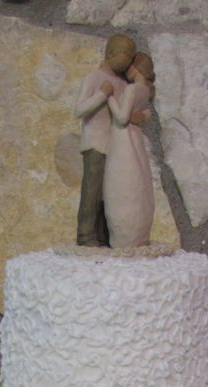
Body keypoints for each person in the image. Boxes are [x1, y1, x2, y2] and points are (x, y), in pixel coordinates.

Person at [74, 34, 136, 247]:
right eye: (125, 55)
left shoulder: (122, 84)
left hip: (116, 148)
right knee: (92, 190)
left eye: (131, 57)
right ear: (110, 53)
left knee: (109, 193)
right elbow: (79, 110)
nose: (128, 60)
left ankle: (103, 234)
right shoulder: (94, 78)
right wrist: (102, 95)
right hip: (95, 143)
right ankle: (85, 234)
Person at [102, 52, 156, 250]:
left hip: (123, 138)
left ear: (135, 68)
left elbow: (122, 117)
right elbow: (146, 115)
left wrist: (109, 98)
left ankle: (125, 238)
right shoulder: (146, 91)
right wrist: (140, 116)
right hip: (136, 139)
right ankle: (138, 235)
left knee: (123, 185)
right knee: (139, 183)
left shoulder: (133, 89)